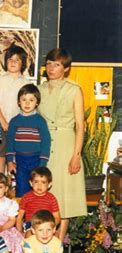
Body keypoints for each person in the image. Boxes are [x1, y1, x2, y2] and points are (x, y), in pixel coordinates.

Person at [38, 48, 87, 240]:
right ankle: (42, 243)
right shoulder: (40, 89)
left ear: (66, 68)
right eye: (49, 63)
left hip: (66, 143)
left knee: (64, 194)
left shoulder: (74, 90)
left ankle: (57, 244)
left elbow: (80, 126)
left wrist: (76, 155)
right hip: (44, 144)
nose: (51, 68)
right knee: (43, 191)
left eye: (57, 64)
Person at [6, 84, 51, 197]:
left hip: (36, 160)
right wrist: (10, 161)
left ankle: (35, 212)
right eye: (24, 99)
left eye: (31, 100)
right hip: (20, 161)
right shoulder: (14, 121)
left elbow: (46, 143)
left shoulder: (40, 121)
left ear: (37, 102)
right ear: (18, 102)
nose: (27, 103)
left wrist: (42, 164)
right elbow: (10, 142)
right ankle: (22, 213)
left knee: (37, 188)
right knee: (21, 187)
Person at [0, 45, 32, 173]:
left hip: (19, 124)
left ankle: (11, 182)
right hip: (2, 123)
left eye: (17, 60)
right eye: (10, 59)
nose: (13, 62)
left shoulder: (26, 83)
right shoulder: (0, 80)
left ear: (23, 63)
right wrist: (3, 121)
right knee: (2, 152)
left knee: (15, 154)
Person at [17, 167, 61, 238]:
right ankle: (30, 249)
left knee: (56, 237)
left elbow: (57, 217)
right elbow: (20, 217)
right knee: (29, 236)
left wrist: (49, 225)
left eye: (43, 182)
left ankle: (53, 249)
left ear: (49, 184)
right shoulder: (26, 197)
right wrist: (19, 232)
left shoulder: (51, 198)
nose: (39, 185)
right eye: (36, 182)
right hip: (31, 225)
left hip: (47, 224)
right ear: (31, 183)